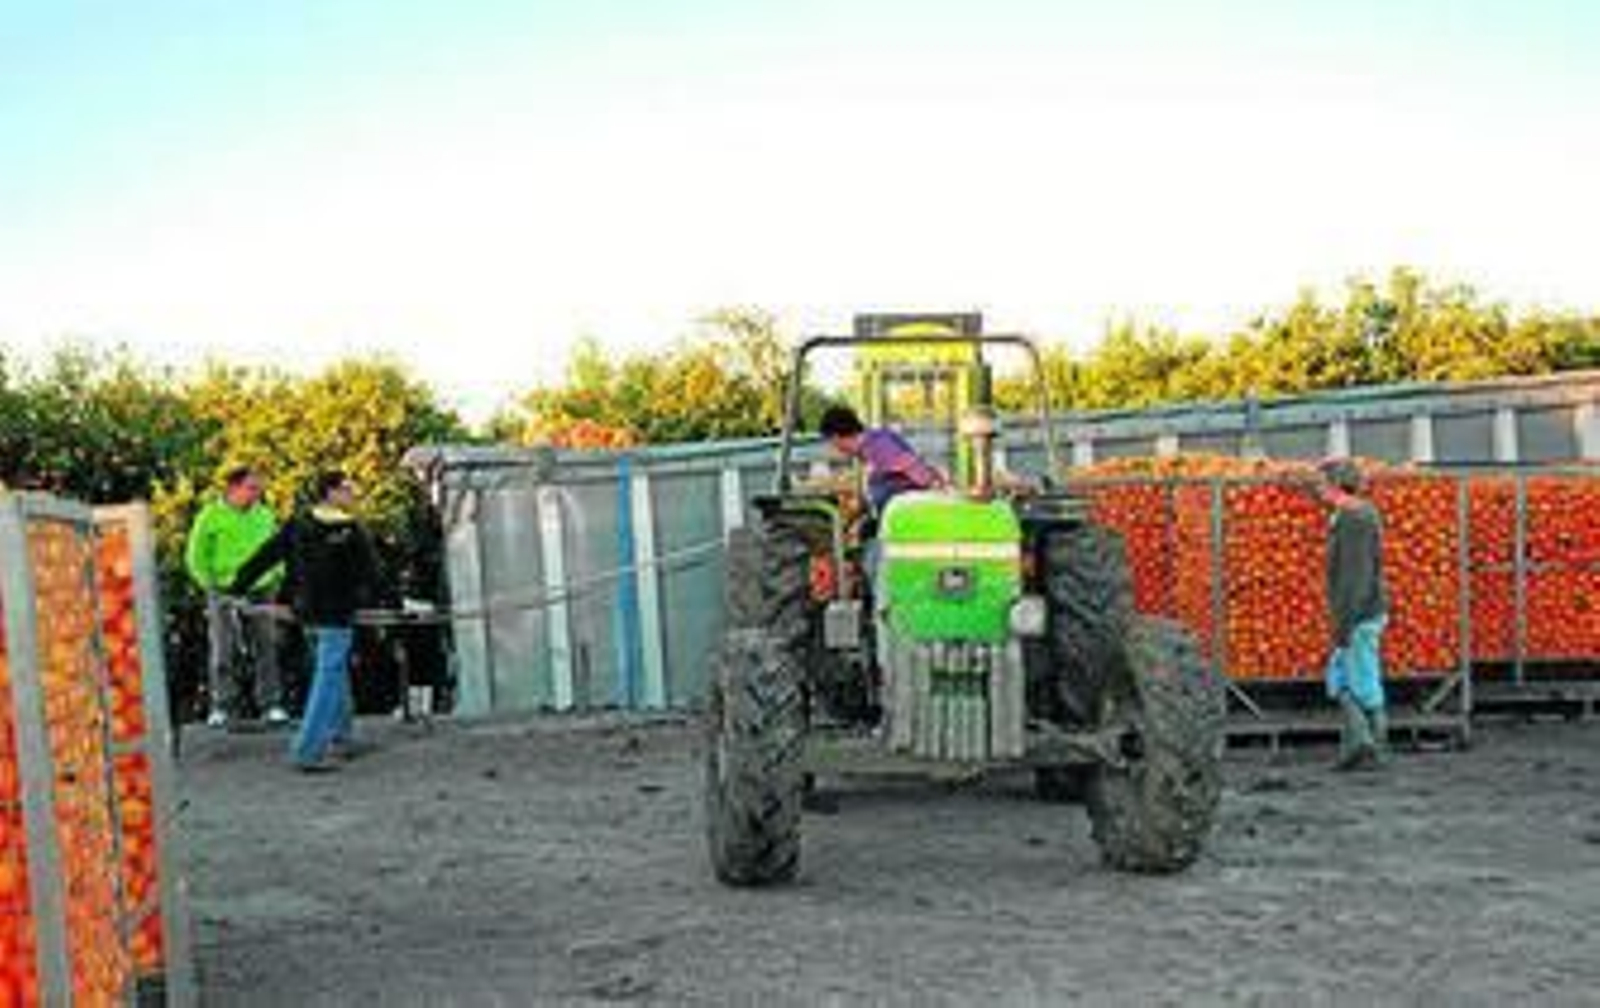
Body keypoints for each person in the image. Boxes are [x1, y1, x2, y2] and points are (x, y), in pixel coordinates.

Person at [231, 471, 384, 772]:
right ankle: (307, 750)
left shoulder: (298, 523)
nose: (353, 494)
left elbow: (267, 555)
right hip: (336, 613)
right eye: (347, 488)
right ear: (331, 492)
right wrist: (396, 604)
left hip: (304, 612)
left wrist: (237, 585)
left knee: (333, 670)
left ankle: (342, 738)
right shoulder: (350, 530)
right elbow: (372, 573)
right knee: (328, 675)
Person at [185, 466, 288, 728]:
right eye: (251, 488)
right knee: (223, 648)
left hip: (261, 589)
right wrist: (209, 585)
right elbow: (196, 556)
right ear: (233, 488)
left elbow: (277, 549)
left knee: (266, 645)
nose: (256, 494)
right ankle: (222, 706)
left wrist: (277, 576)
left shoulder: (264, 514)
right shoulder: (209, 516)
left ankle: (271, 704)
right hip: (223, 589)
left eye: (259, 489)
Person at [1314, 457, 1391, 770]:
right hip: (1362, 611)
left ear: (1335, 484)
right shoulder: (1354, 514)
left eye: (1321, 483)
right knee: (1351, 677)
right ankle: (1361, 747)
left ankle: (1367, 744)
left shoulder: (1353, 519)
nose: (1318, 490)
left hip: (1359, 612)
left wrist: (1345, 623)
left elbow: (1355, 576)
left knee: (1353, 680)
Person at [817, 405, 946, 520]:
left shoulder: (877, 445)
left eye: (831, 441)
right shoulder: (866, 450)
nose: (834, 447)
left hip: (911, 516)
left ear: (836, 437)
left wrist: (936, 489)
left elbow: (913, 467)